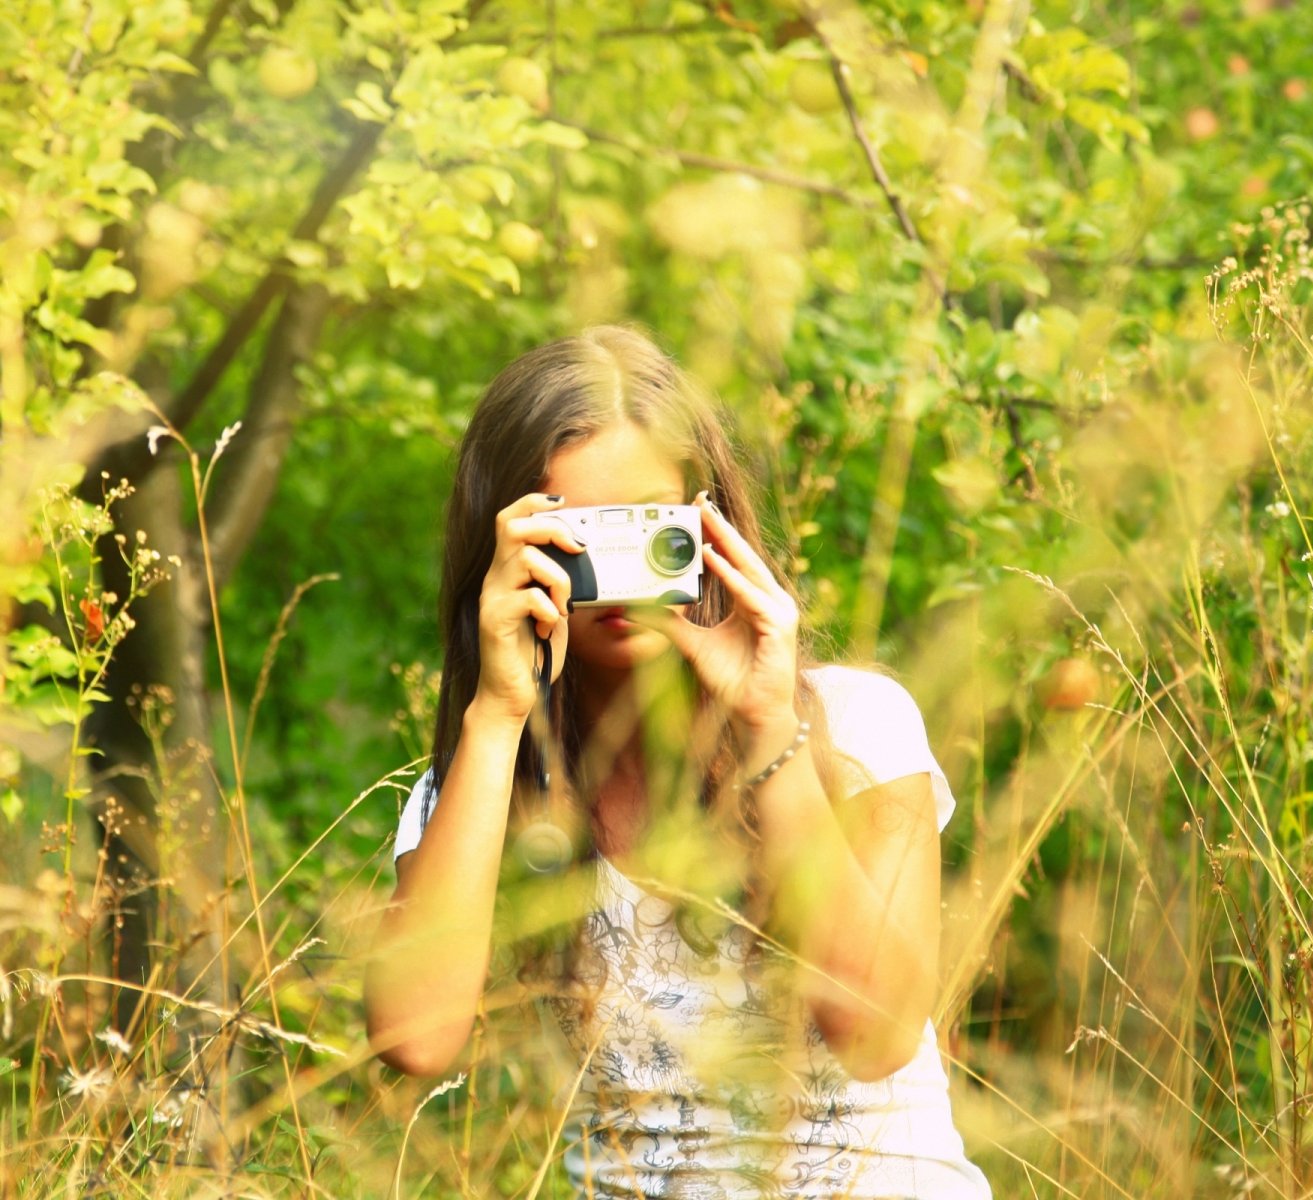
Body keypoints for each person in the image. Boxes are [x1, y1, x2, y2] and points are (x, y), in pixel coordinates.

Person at [363, 324, 992, 1199]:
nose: (615, 573)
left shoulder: (853, 724)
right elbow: (416, 1041)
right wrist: (500, 712)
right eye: (577, 536)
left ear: (710, 529)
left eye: (645, 530)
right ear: (507, 547)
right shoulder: (485, 775)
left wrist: (770, 726)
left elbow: (875, 1033)